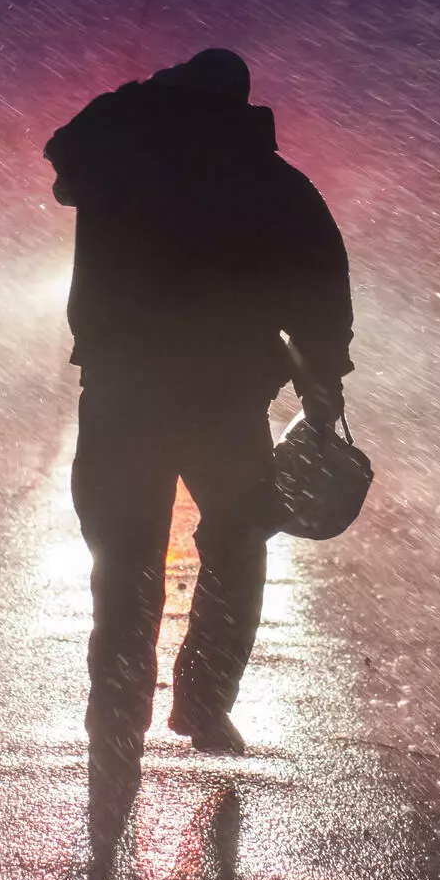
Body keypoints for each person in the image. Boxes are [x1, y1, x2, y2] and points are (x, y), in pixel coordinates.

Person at [44, 47, 353, 765]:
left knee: (123, 558)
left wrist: (140, 91)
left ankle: (118, 716)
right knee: (237, 551)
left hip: (124, 395)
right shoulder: (272, 182)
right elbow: (320, 286)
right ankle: (206, 704)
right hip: (227, 400)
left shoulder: (118, 165)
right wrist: (323, 381)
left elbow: (65, 156)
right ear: (241, 104)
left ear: (172, 91)